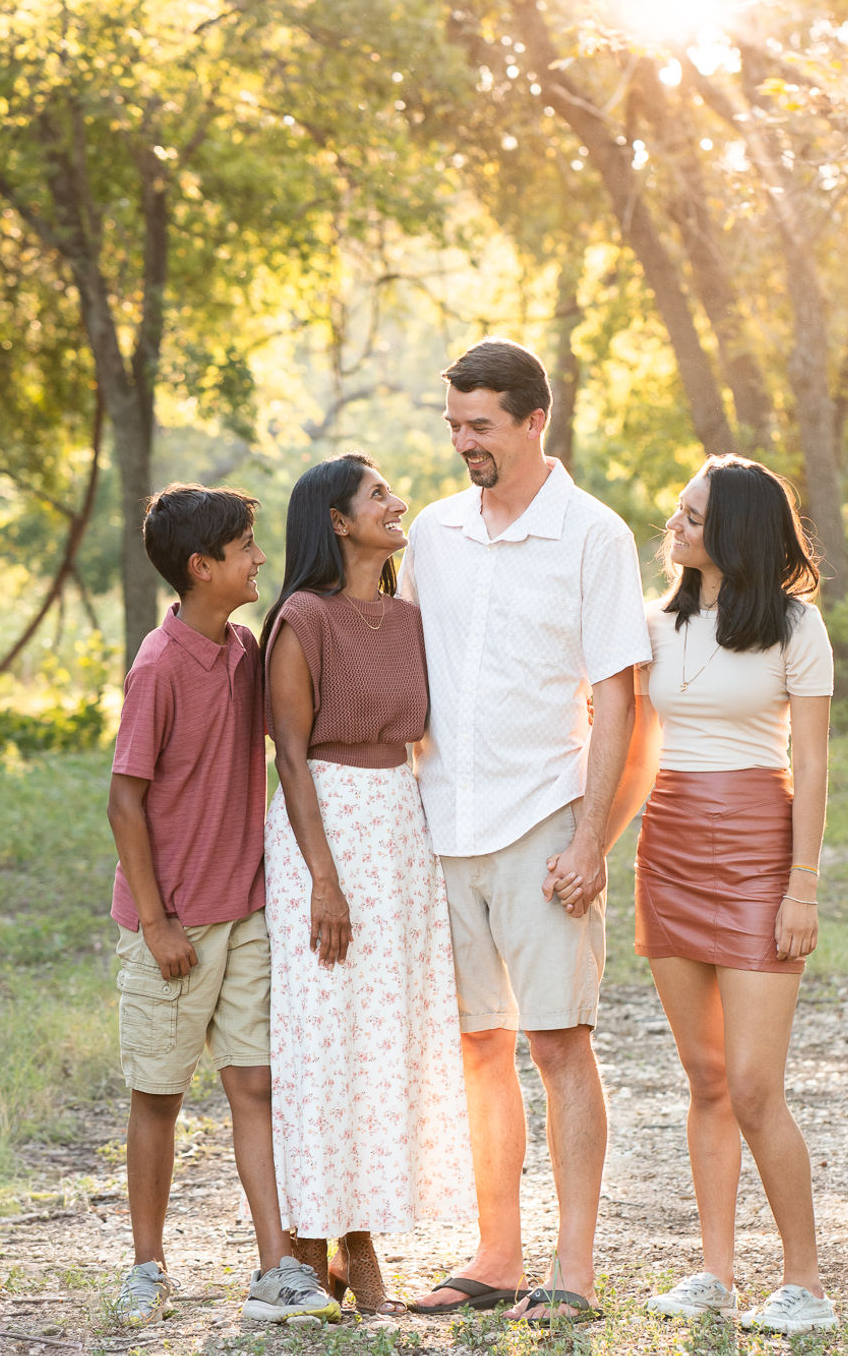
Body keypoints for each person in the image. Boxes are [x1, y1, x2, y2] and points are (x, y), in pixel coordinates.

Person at [400, 339, 652, 1325]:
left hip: (545, 822)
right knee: (476, 1047)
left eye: (482, 427)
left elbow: (619, 701)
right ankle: (495, 1254)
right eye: (454, 425)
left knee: (558, 1044)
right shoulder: (433, 531)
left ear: (534, 419)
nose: (464, 443)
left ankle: (572, 1269)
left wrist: (592, 840)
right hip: (444, 825)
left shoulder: (594, 536)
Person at [567, 454, 837, 1335]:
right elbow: (637, 752)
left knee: (758, 1086)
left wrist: (803, 886)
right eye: (677, 510)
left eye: (690, 515)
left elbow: (812, 767)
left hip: (762, 852)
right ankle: (716, 1273)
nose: (672, 526)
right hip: (671, 852)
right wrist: (597, 849)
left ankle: (803, 1283)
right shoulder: (650, 625)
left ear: (736, 533)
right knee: (709, 1078)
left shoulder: (798, 629)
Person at [107, 484, 341, 1327]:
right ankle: (146, 1263)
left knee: (256, 1085)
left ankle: (275, 1264)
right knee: (159, 1095)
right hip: (170, 925)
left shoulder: (247, 650)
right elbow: (124, 800)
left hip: (244, 913)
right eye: (245, 547)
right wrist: (160, 919)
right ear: (202, 567)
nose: (259, 558)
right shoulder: (160, 667)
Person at [259, 453, 475, 1316]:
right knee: (321, 1041)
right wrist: (323, 880)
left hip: (398, 829)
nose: (397, 503)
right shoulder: (301, 619)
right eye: (378, 496)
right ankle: (315, 1245)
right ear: (338, 522)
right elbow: (290, 754)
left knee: (382, 1043)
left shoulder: (408, 615)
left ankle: (357, 1238)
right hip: (328, 833)